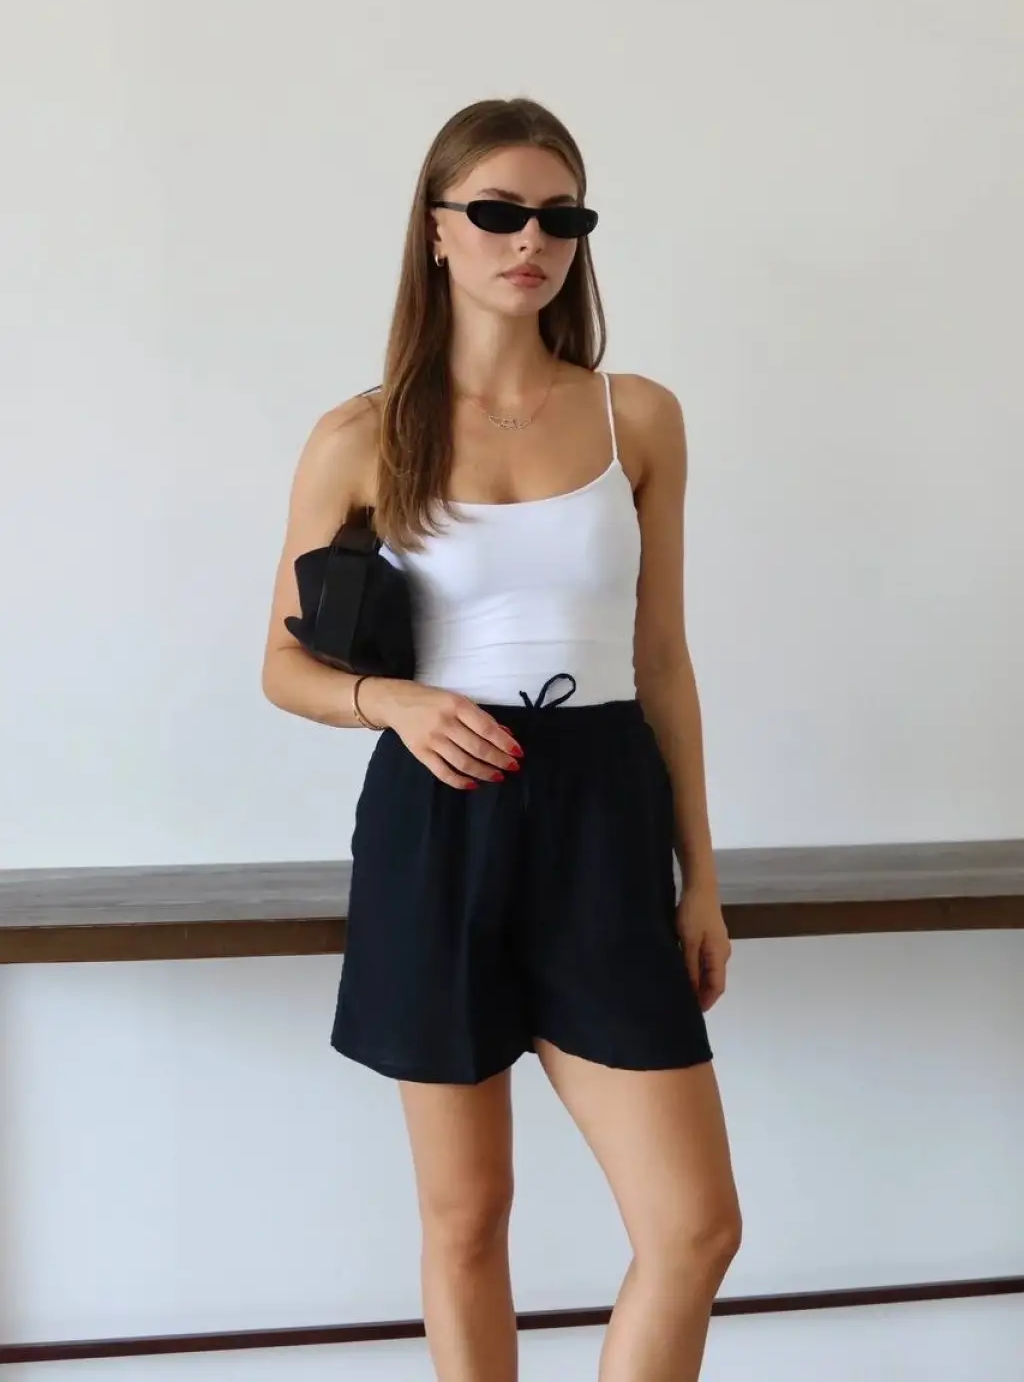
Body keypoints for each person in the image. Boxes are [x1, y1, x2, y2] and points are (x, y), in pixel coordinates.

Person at [262, 98, 741, 1382]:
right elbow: (283, 667)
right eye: (497, 212)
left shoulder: (637, 417)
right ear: (435, 230)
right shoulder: (361, 436)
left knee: (693, 1229)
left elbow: (660, 662)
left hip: (604, 814)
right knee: (466, 1219)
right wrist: (396, 701)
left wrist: (701, 879)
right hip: (438, 818)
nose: (531, 240)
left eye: (559, 217)